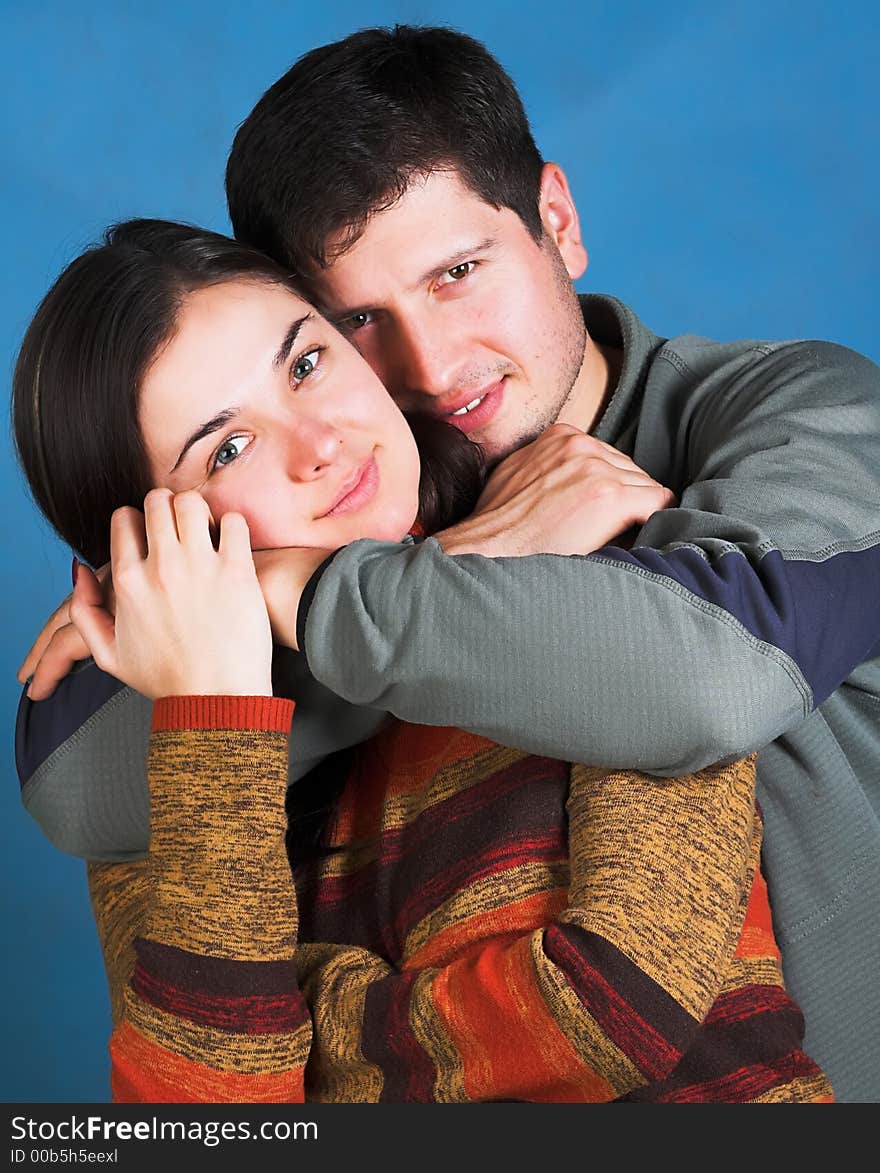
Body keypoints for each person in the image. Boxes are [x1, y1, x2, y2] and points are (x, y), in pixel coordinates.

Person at [16, 26, 880, 1101]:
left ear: (556, 225)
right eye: (358, 322)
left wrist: (298, 597)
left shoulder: (809, 414)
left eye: (459, 274)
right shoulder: (369, 494)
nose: (430, 365)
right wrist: (469, 558)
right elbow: (72, 779)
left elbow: (712, 682)